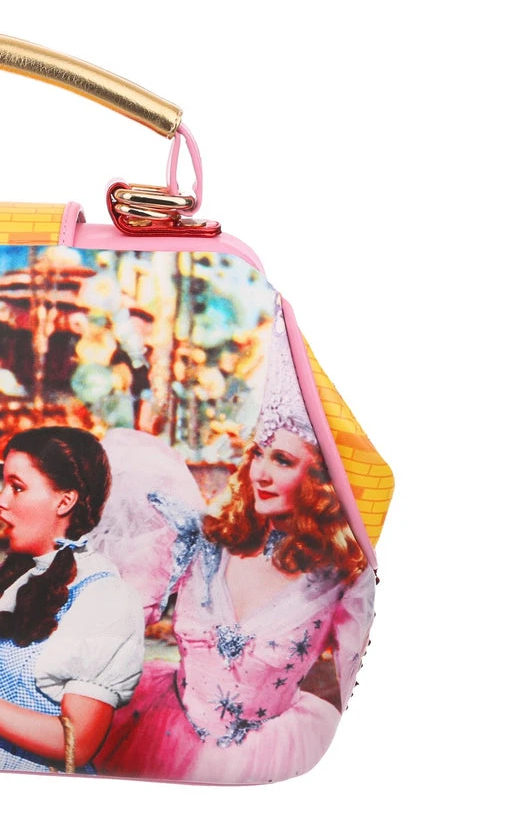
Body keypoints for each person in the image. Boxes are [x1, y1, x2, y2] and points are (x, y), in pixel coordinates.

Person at [94, 305, 375, 784]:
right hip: (160, 734)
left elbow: (363, 681)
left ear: (321, 481)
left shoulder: (344, 577)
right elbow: (108, 622)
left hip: (272, 757)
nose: (260, 473)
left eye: (282, 460)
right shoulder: (201, 540)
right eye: (259, 454)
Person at [0, 426, 145, 773]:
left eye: (17, 488)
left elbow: (77, 745)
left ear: (65, 501)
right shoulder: (13, 578)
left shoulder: (105, 599)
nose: (0, 501)